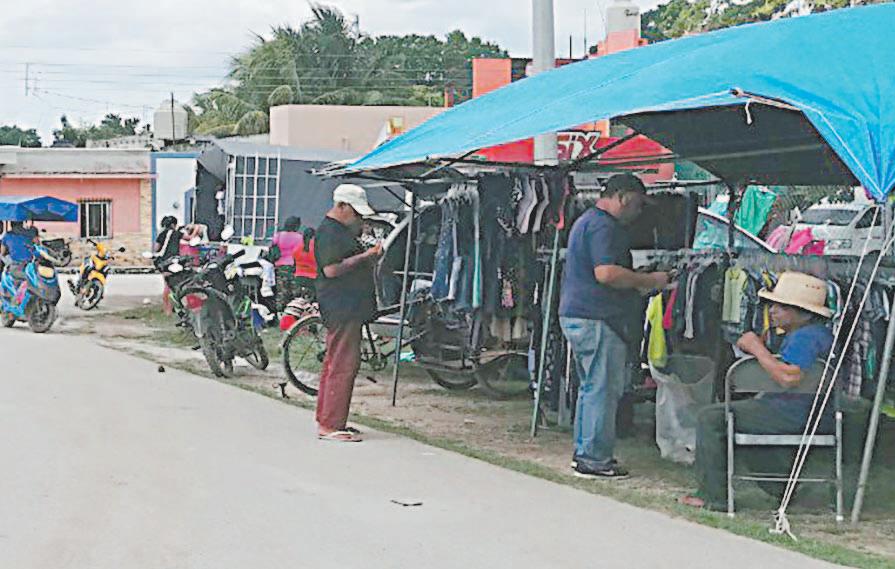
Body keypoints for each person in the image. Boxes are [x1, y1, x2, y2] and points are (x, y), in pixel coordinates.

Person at [681, 271, 834, 510]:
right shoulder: (816, 334)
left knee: (711, 418)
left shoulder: (805, 338)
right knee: (742, 419)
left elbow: (789, 377)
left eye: (781, 307)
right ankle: (781, 485)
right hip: (810, 411)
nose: (772, 311)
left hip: (795, 411)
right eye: (772, 305)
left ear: (803, 313)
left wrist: (756, 348)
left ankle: (712, 496)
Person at [559, 173, 669, 479]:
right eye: (637, 205)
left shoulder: (586, 222)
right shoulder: (604, 226)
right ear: (623, 197)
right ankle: (594, 458)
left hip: (579, 314)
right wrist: (648, 280)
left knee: (591, 387)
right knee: (602, 389)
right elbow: (606, 273)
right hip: (597, 317)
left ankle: (585, 452)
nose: (638, 213)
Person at [314, 184, 382, 443]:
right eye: (356, 213)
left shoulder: (338, 231)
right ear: (341, 206)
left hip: (345, 305)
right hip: (342, 305)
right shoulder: (330, 232)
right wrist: (366, 257)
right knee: (343, 364)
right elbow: (331, 269)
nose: (358, 219)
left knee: (335, 362)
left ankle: (329, 419)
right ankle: (331, 424)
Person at [271, 216, 303, 312]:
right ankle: (294, 312)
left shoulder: (278, 236)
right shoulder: (299, 237)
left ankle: (279, 312)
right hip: (294, 266)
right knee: (295, 292)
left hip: (280, 266)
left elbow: (272, 247)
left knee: (281, 291)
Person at [293, 226, 317, 300]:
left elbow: (294, 262)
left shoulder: (297, 248)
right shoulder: (316, 248)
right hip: (312, 279)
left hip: (299, 277)